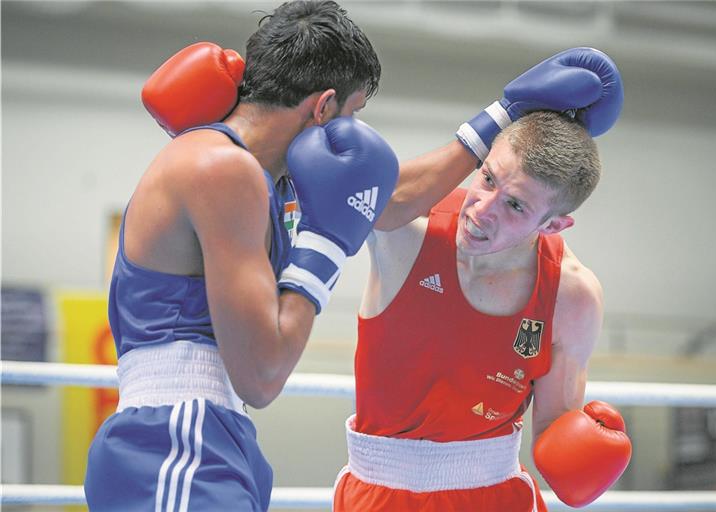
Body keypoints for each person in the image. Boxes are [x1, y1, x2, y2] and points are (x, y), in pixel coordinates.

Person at [144, 42, 632, 510]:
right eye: (487, 177)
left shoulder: (571, 295)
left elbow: (553, 428)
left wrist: (584, 452)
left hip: (496, 496)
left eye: (515, 205)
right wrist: (229, 110)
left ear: (554, 225)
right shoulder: (410, 230)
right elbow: (346, 173)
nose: (482, 209)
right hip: (378, 495)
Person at [83, 2, 398, 511]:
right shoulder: (223, 170)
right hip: (176, 440)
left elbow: (392, 195)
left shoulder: (260, 179)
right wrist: (326, 249)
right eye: (353, 114)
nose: (350, 133)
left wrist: (499, 121)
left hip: (204, 436)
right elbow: (263, 373)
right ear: (323, 107)